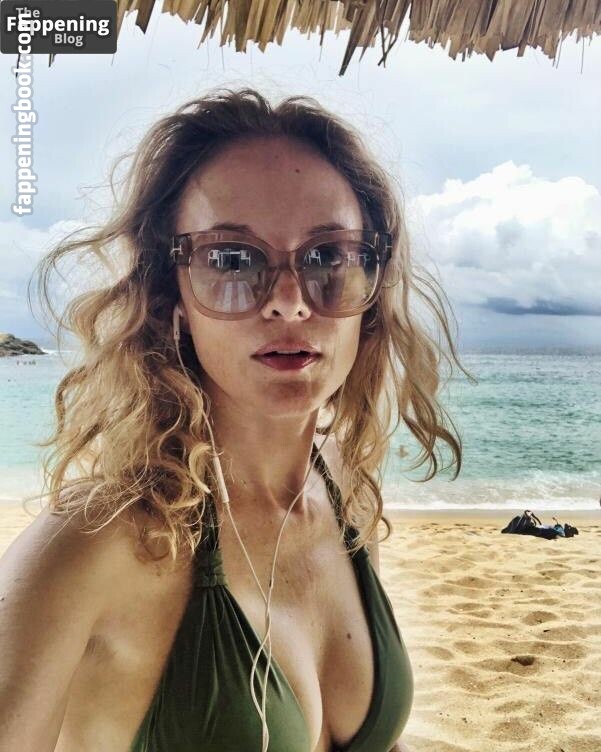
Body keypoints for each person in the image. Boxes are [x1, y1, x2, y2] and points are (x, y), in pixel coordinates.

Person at [1, 87, 469, 752]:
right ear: (171, 296)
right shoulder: (95, 544)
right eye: (230, 259)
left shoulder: (345, 488)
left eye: (328, 255)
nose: (288, 302)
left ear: (372, 287)